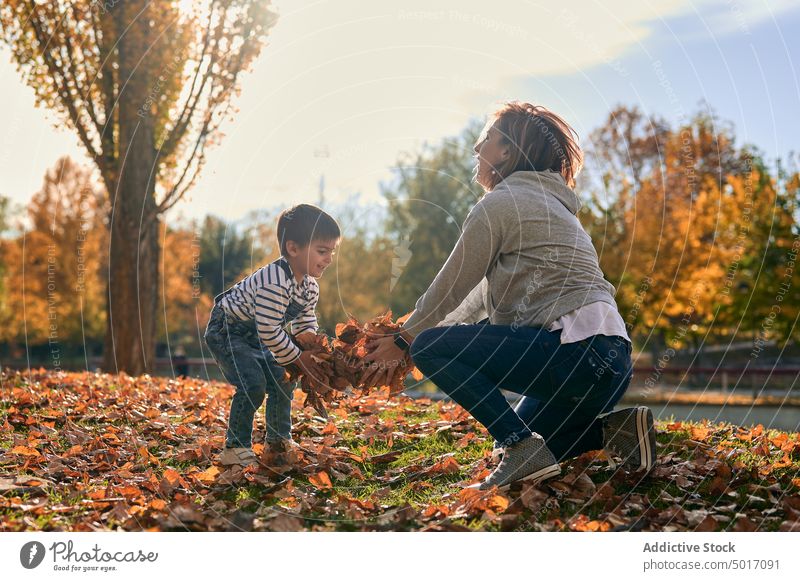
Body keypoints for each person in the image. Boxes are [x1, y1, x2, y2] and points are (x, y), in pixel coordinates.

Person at [365, 101, 655, 491]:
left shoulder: (500, 204)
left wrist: (406, 340)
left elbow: (451, 284)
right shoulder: (556, 210)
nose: (476, 149)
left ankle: (520, 446)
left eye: (485, 139)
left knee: (431, 348)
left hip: (573, 353)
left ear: (505, 151)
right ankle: (615, 434)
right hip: (612, 362)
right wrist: (403, 332)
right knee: (534, 444)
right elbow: (469, 303)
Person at [204, 204, 340, 466]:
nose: (329, 259)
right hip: (229, 330)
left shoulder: (310, 286)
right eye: (322, 251)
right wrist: (299, 359)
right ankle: (236, 447)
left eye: (331, 252)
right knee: (252, 384)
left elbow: (304, 316)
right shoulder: (274, 281)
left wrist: (308, 338)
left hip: (259, 334)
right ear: (293, 248)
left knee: (283, 379)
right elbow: (269, 330)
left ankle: (278, 440)